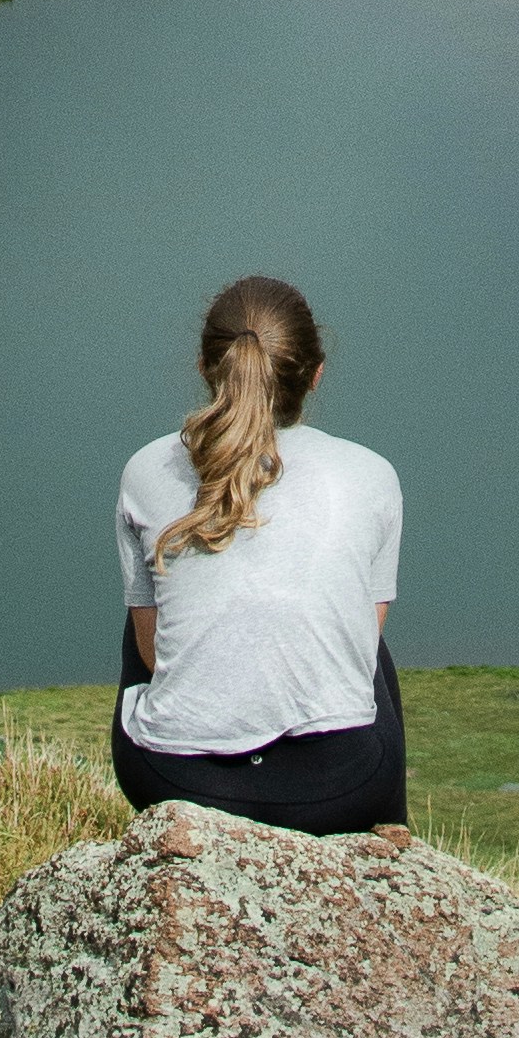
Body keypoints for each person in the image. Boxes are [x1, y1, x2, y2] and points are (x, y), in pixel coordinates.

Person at [110, 270, 405, 835]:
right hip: (342, 790)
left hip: (178, 784)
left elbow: (151, 654)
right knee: (365, 636)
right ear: (316, 375)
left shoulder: (148, 469)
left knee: (147, 604)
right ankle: (387, 840)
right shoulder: (372, 475)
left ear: (205, 368)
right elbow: (359, 649)